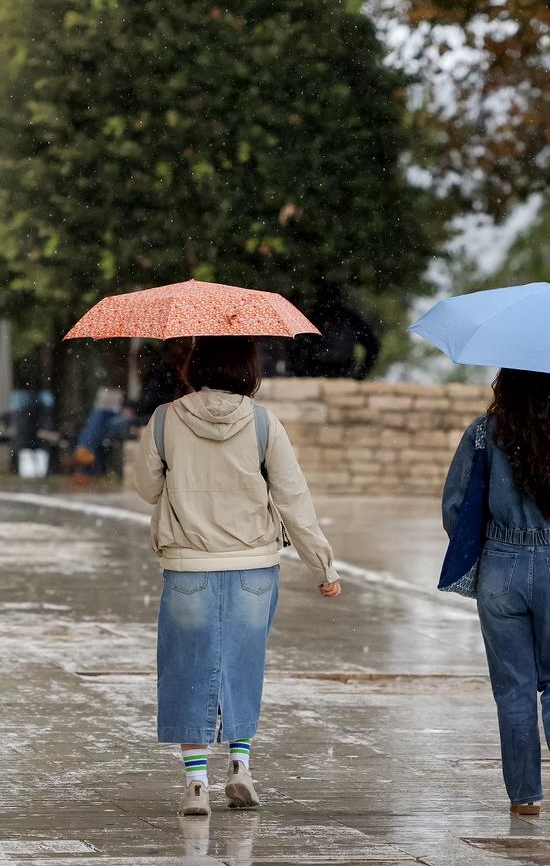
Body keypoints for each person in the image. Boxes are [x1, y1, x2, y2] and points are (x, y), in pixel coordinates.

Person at [133, 336, 341, 816]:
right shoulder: (264, 424)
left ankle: (196, 784)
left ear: (195, 365)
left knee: (187, 668)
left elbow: (147, 489)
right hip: (253, 568)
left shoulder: (164, 419)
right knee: (242, 664)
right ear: (250, 369)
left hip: (188, 566)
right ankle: (241, 769)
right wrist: (322, 566)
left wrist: (178, 474)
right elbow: (294, 500)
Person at [442, 367, 550, 816]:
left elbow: (455, 508)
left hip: (502, 562)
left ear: (508, 381)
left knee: (514, 686)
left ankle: (524, 796)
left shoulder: (484, 432)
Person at [71, 341, 190, 478]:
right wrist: (126, 404)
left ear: (148, 358)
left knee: (105, 424)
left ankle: (88, 461)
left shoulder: (158, 376)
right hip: (141, 416)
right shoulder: (153, 376)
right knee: (102, 413)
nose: (136, 363)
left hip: (144, 420)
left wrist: (130, 408)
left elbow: (149, 405)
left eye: (139, 358)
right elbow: (145, 403)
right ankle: (86, 454)